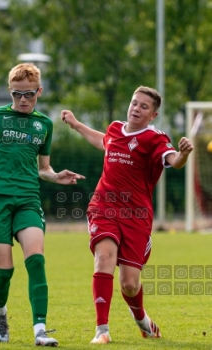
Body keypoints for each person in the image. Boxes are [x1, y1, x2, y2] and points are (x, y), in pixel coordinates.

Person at [0, 63, 85, 347]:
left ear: (39, 91)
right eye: (17, 94)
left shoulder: (44, 125)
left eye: (29, 94)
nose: (23, 100)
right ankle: (0, 313)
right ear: (10, 92)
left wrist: (56, 176)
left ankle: (40, 330)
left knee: (37, 260)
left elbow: (43, 168)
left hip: (28, 199)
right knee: (4, 272)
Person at [60, 86, 194, 344]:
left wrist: (184, 154)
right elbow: (103, 141)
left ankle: (142, 320)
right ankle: (102, 330)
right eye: (135, 103)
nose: (136, 108)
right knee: (104, 259)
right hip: (104, 206)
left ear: (153, 115)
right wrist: (76, 124)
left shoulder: (154, 139)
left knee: (130, 284)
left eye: (144, 107)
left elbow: (173, 160)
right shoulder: (114, 129)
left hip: (136, 215)